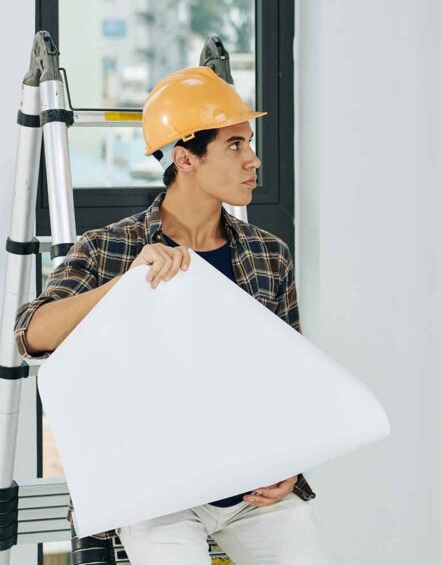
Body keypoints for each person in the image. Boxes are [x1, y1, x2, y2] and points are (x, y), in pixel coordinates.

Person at [16, 66, 331, 564]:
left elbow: (289, 376)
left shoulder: (269, 255)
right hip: (156, 494)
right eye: (235, 146)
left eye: (248, 143)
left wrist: (289, 464)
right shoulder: (109, 249)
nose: (254, 160)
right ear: (185, 158)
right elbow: (31, 334)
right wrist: (125, 284)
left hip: (250, 489)